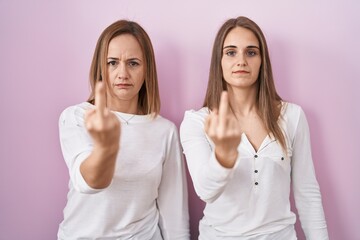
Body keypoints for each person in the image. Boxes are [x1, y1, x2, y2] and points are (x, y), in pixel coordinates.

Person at [180, 16, 328, 240]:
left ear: (262, 60)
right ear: (218, 61)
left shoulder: (292, 116)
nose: (241, 61)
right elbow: (205, 190)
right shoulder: (197, 122)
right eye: (231, 52)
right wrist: (223, 154)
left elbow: (307, 193)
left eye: (251, 52)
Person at [58, 20, 189, 240]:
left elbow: (174, 215)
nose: (123, 73)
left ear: (147, 69)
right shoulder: (77, 117)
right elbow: (88, 183)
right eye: (112, 62)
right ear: (101, 66)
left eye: (133, 63)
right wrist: (105, 148)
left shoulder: (165, 131)